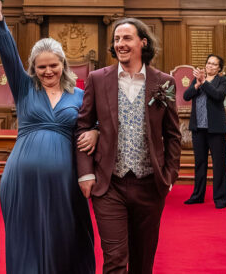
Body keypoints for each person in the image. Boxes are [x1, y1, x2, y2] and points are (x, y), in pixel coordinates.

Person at [0, 0, 94, 274]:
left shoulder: (81, 96)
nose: (48, 72)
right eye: (41, 67)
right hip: (23, 180)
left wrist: (95, 132)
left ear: (64, 65)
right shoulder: (24, 88)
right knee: (26, 241)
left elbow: (102, 124)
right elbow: (9, 54)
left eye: (53, 66)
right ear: (33, 68)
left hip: (66, 183)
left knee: (67, 238)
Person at [76, 17, 181, 274]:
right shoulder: (98, 79)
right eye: (117, 39)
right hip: (109, 183)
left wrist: (169, 176)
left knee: (143, 261)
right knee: (114, 259)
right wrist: (86, 173)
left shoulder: (163, 82)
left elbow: (173, 135)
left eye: (127, 38)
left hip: (150, 184)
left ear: (142, 42)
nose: (120, 44)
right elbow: (83, 126)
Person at [183, 53, 226, 208]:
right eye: (208, 63)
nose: (210, 66)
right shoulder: (197, 81)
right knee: (200, 163)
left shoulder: (222, 81)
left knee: (219, 164)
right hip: (198, 128)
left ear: (219, 68)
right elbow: (186, 96)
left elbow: (217, 96)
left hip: (215, 128)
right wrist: (196, 85)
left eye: (214, 64)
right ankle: (197, 195)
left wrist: (204, 82)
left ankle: (220, 198)